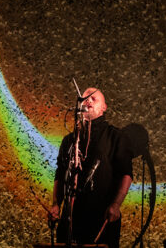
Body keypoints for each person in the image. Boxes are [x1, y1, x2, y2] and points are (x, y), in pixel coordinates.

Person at [49, 88, 133, 248]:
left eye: (93, 98)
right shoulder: (68, 140)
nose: (87, 101)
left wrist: (116, 205)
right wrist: (55, 204)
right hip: (70, 222)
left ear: (104, 107)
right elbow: (60, 175)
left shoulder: (116, 137)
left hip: (101, 219)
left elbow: (126, 174)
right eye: (84, 98)